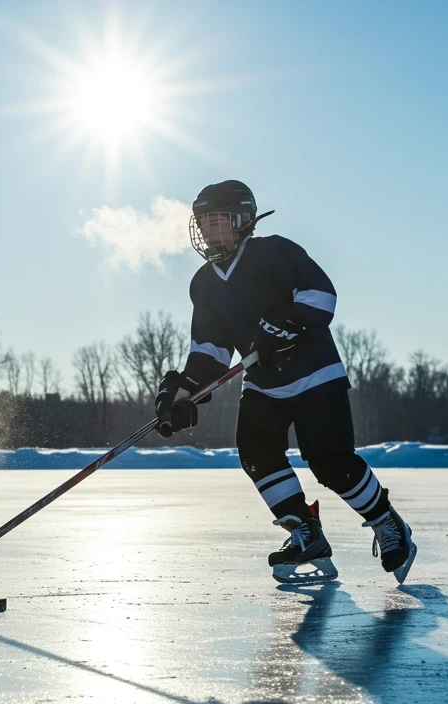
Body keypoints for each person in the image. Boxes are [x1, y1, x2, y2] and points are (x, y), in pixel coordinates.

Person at [154, 179, 417, 584]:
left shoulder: (274, 252)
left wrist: (287, 324)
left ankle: (387, 521)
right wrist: (186, 389)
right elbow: (211, 348)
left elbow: (321, 295)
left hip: (315, 374)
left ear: (242, 221)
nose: (207, 231)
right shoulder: (203, 283)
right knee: (257, 455)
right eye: (202, 223)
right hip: (262, 384)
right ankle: (305, 532)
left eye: (217, 221)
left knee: (331, 464)